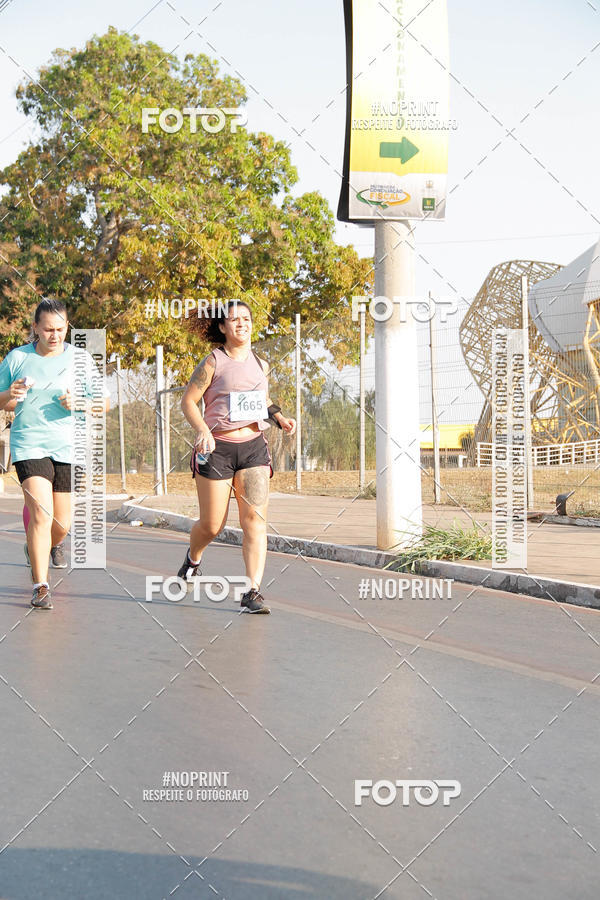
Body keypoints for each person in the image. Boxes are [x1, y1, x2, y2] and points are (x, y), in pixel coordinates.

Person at [179, 301, 296, 613]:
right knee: (212, 525)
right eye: (234, 320)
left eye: (246, 319)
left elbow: (262, 400)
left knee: (254, 522)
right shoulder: (213, 362)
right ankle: (193, 558)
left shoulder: (261, 363)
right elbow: (189, 402)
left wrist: (280, 418)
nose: (241, 324)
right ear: (222, 327)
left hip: (254, 448)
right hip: (216, 449)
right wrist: (202, 429)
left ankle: (252, 591)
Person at [0, 298, 109, 609]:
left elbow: (104, 403)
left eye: (61, 329)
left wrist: (81, 404)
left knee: (61, 523)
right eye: (48, 329)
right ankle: (41, 585)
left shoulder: (81, 359)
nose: (55, 335)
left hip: (69, 446)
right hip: (29, 443)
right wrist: (12, 394)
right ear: (35, 327)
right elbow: (1, 399)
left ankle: (50, 545)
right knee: (40, 514)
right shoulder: (17, 358)